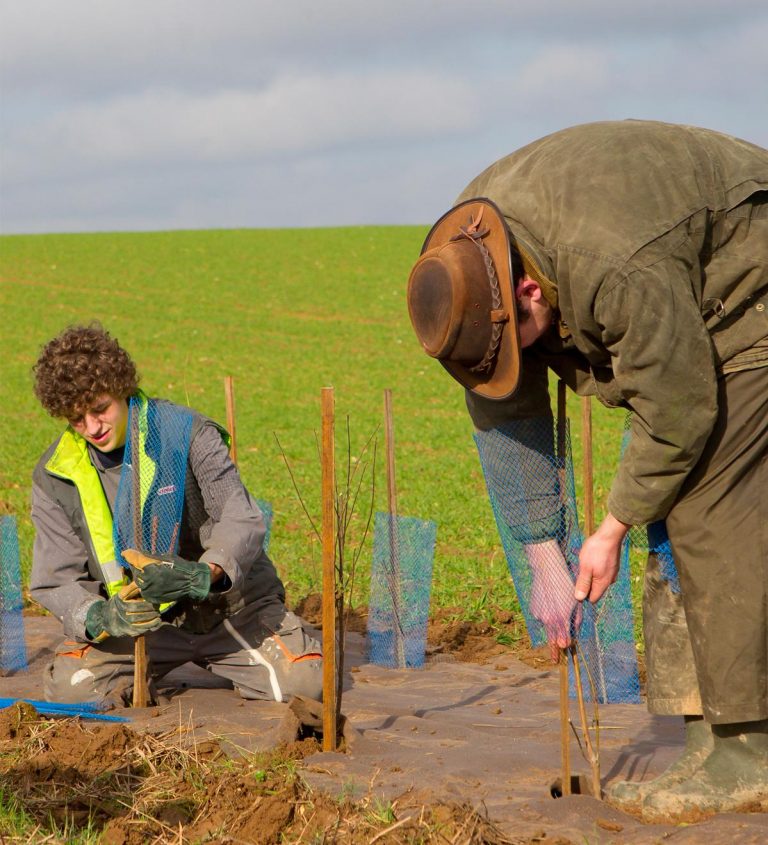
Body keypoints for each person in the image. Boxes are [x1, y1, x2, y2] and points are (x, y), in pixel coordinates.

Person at [406, 120, 768, 820]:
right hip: (673, 296)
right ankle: (706, 729)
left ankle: (750, 748)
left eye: (520, 341)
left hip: (750, 281)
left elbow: (682, 409)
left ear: (532, 293)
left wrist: (608, 529)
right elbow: (503, 403)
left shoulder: (613, 263)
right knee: (668, 512)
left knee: (706, 504)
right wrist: (542, 547)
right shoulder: (463, 265)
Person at [30, 323, 323, 708]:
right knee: (72, 691)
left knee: (306, 685)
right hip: (140, 626)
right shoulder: (56, 474)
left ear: (122, 387)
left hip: (227, 611)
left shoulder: (187, 431)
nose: (92, 427)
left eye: (100, 409)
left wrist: (208, 573)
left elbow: (240, 515)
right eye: (76, 419)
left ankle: (250, 652)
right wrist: (100, 617)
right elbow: (55, 579)